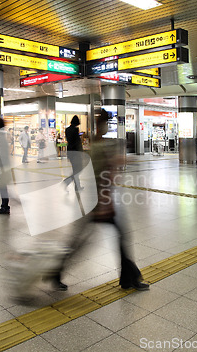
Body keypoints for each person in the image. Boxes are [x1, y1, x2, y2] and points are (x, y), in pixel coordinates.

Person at [51, 110, 149, 291]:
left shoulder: (99, 144)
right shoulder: (97, 145)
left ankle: (129, 279)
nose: (106, 127)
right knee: (82, 242)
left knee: (113, 237)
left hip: (101, 201)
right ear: (101, 125)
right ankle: (54, 272)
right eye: (105, 123)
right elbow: (98, 174)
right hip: (97, 202)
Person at [0, 119, 12, 215]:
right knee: (2, 186)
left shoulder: (1, 138)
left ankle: (5, 206)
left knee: (2, 187)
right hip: (5, 166)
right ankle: (5, 206)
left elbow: (1, 155)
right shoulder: (2, 136)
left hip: (3, 166)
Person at [63, 115, 83, 191]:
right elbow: (77, 142)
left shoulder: (67, 129)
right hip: (76, 153)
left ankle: (77, 186)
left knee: (76, 170)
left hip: (70, 152)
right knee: (77, 170)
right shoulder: (75, 130)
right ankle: (67, 182)